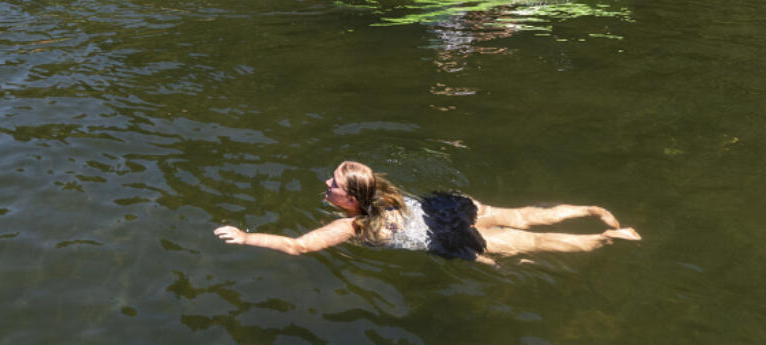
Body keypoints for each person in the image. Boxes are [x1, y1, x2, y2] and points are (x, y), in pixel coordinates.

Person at [214, 160, 639, 263]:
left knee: (533, 243)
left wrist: (248, 237)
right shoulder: (385, 192)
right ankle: (591, 209)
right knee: (524, 214)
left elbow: (296, 247)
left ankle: (606, 238)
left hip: (445, 236)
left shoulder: (355, 225)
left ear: (354, 200)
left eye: (334, 187)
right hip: (446, 208)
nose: (326, 188)